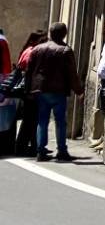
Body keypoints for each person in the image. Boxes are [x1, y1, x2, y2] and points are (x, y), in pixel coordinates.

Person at [27, 22, 78, 162]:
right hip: (58, 90)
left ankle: (40, 151)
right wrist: (78, 90)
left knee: (42, 121)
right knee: (60, 121)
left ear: (50, 33)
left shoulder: (37, 49)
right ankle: (61, 151)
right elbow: (72, 73)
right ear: (64, 34)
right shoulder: (66, 50)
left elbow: (29, 71)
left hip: (41, 90)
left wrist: (28, 89)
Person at [3, 30, 41, 158]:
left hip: (25, 90)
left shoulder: (27, 50)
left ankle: (26, 146)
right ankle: (25, 146)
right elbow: (29, 72)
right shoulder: (32, 52)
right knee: (31, 120)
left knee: (29, 119)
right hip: (29, 90)